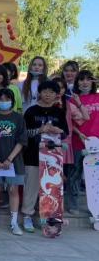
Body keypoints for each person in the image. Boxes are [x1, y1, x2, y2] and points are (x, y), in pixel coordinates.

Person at [21, 80, 68, 232]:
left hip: (53, 158)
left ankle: (47, 218)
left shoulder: (59, 112)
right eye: (45, 91)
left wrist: (58, 131)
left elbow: (65, 133)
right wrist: (40, 130)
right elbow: (24, 134)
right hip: (32, 156)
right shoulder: (31, 111)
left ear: (57, 95)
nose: (48, 94)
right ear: (39, 93)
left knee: (50, 190)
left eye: (52, 92)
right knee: (31, 188)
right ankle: (27, 216)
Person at [0, 88, 28, 235]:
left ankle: (14, 222)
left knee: (13, 190)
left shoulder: (18, 118)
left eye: (7, 99)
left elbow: (22, 140)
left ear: (12, 101)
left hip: (14, 161)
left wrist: (10, 159)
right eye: (1, 99)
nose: (4, 102)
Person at [53, 77, 88, 214]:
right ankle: (51, 205)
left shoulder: (68, 105)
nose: (58, 91)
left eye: (61, 88)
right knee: (51, 175)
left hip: (65, 144)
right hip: (48, 145)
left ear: (64, 90)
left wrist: (78, 103)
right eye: (55, 87)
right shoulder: (44, 105)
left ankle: (68, 204)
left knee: (67, 176)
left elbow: (85, 117)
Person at [70, 70, 99, 210]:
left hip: (97, 143)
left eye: (88, 79)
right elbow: (69, 123)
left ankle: (95, 207)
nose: (85, 82)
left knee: (95, 176)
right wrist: (78, 133)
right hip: (78, 142)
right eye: (81, 79)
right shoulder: (72, 100)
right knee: (75, 174)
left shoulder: (98, 97)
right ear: (77, 83)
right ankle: (73, 205)